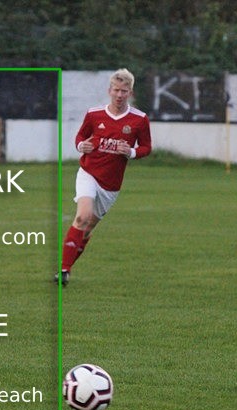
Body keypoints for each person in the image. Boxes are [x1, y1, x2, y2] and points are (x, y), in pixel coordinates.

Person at [56, 68, 152, 286]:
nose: (119, 95)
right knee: (82, 217)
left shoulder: (139, 119)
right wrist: (81, 145)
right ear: (109, 90)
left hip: (111, 185)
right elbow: (81, 136)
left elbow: (146, 147)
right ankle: (63, 270)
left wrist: (131, 152)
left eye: (124, 91)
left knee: (88, 229)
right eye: (116, 90)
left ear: (130, 93)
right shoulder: (94, 114)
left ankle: (67, 267)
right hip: (88, 173)